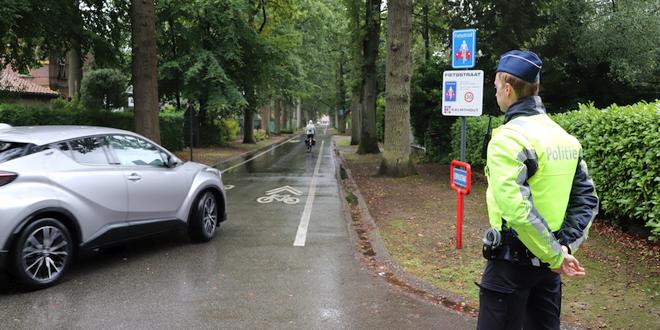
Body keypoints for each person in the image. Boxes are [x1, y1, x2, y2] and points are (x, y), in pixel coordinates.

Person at [477, 50, 599, 330]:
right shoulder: (565, 138)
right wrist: (562, 247)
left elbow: (518, 212)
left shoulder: (507, 139)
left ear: (508, 89)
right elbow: (587, 201)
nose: (495, 94)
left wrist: (556, 255)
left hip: (511, 268)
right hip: (548, 272)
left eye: (496, 88)